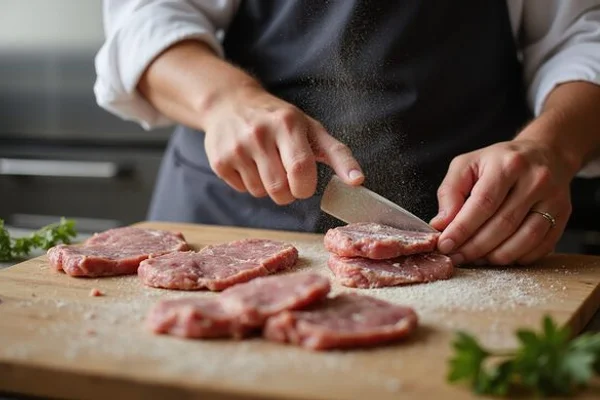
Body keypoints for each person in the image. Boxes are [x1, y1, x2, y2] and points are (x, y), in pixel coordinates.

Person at [94, 0, 600, 266]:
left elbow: (582, 32)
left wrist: (550, 146)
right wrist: (225, 101)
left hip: (478, 222)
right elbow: (147, 15)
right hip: (226, 216)